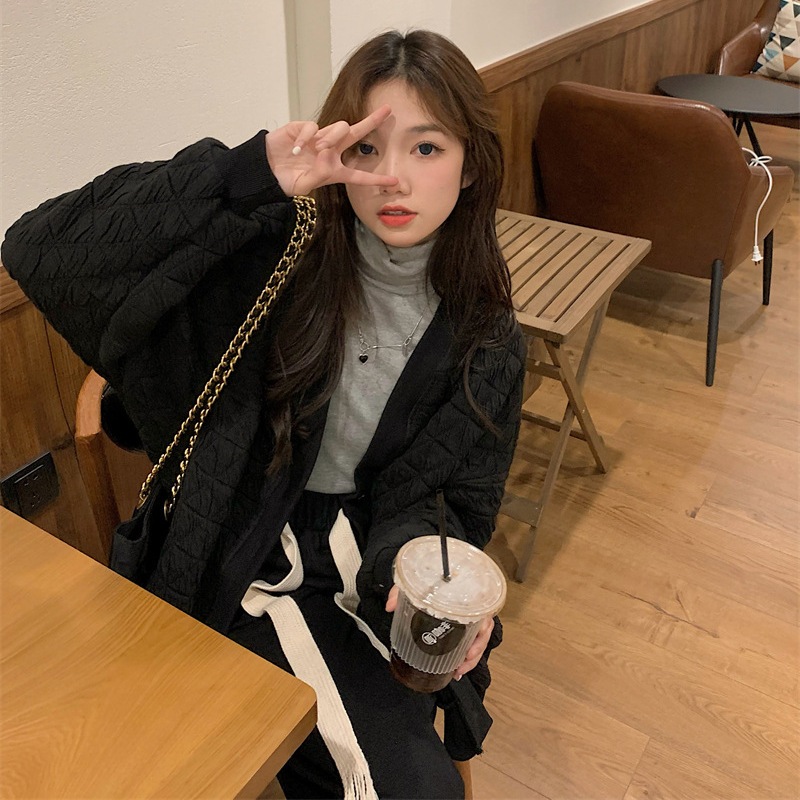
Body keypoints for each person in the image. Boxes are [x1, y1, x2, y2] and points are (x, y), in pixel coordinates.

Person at [2, 29, 525, 799]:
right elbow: (40, 250)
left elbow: (457, 501)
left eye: (426, 148)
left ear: (470, 163)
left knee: (413, 779)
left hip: (366, 565)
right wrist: (250, 174)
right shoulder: (279, 249)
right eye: (368, 149)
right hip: (240, 551)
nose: (392, 178)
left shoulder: (487, 336)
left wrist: (431, 575)